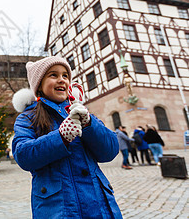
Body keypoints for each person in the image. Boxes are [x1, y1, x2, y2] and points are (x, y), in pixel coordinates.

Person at [12, 56, 122, 218]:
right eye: (53, 75)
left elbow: (110, 151)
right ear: (39, 84)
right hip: (59, 209)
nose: (61, 80)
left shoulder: (80, 111)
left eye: (65, 76)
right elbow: (23, 155)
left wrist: (90, 124)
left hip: (99, 205)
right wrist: (60, 137)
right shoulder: (28, 117)